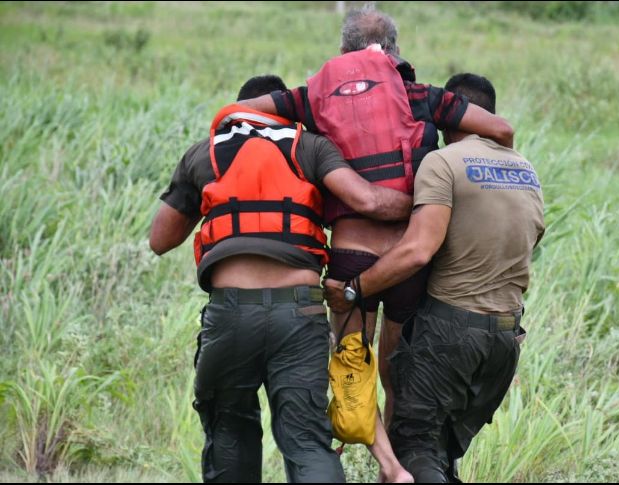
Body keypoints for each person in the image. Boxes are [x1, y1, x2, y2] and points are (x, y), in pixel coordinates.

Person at [237, 7, 513, 480]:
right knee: (395, 372)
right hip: (408, 263)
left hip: (351, 257)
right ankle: (397, 467)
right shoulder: (422, 96)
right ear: (395, 51)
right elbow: (501, 130)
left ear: (344, 52)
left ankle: (385, 464)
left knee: (350, 371)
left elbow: (247, 111)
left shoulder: (315, 97)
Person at [149, 75, 415, 483]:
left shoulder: (205, 154)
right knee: (307, 440)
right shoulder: (308, 146)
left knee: (229, 433)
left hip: (231, 313)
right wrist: (427, 207)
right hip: (300, 310)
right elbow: (367, 200)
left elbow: (160, 240)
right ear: (281, 111)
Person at [325, 73, 545, 483]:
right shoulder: (526, 169)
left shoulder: (442, 162)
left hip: (451, 334)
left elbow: (416, 250)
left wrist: (355, 290)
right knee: (440, 454)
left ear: (452, 115)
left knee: (413, 447)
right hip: (505, 340)